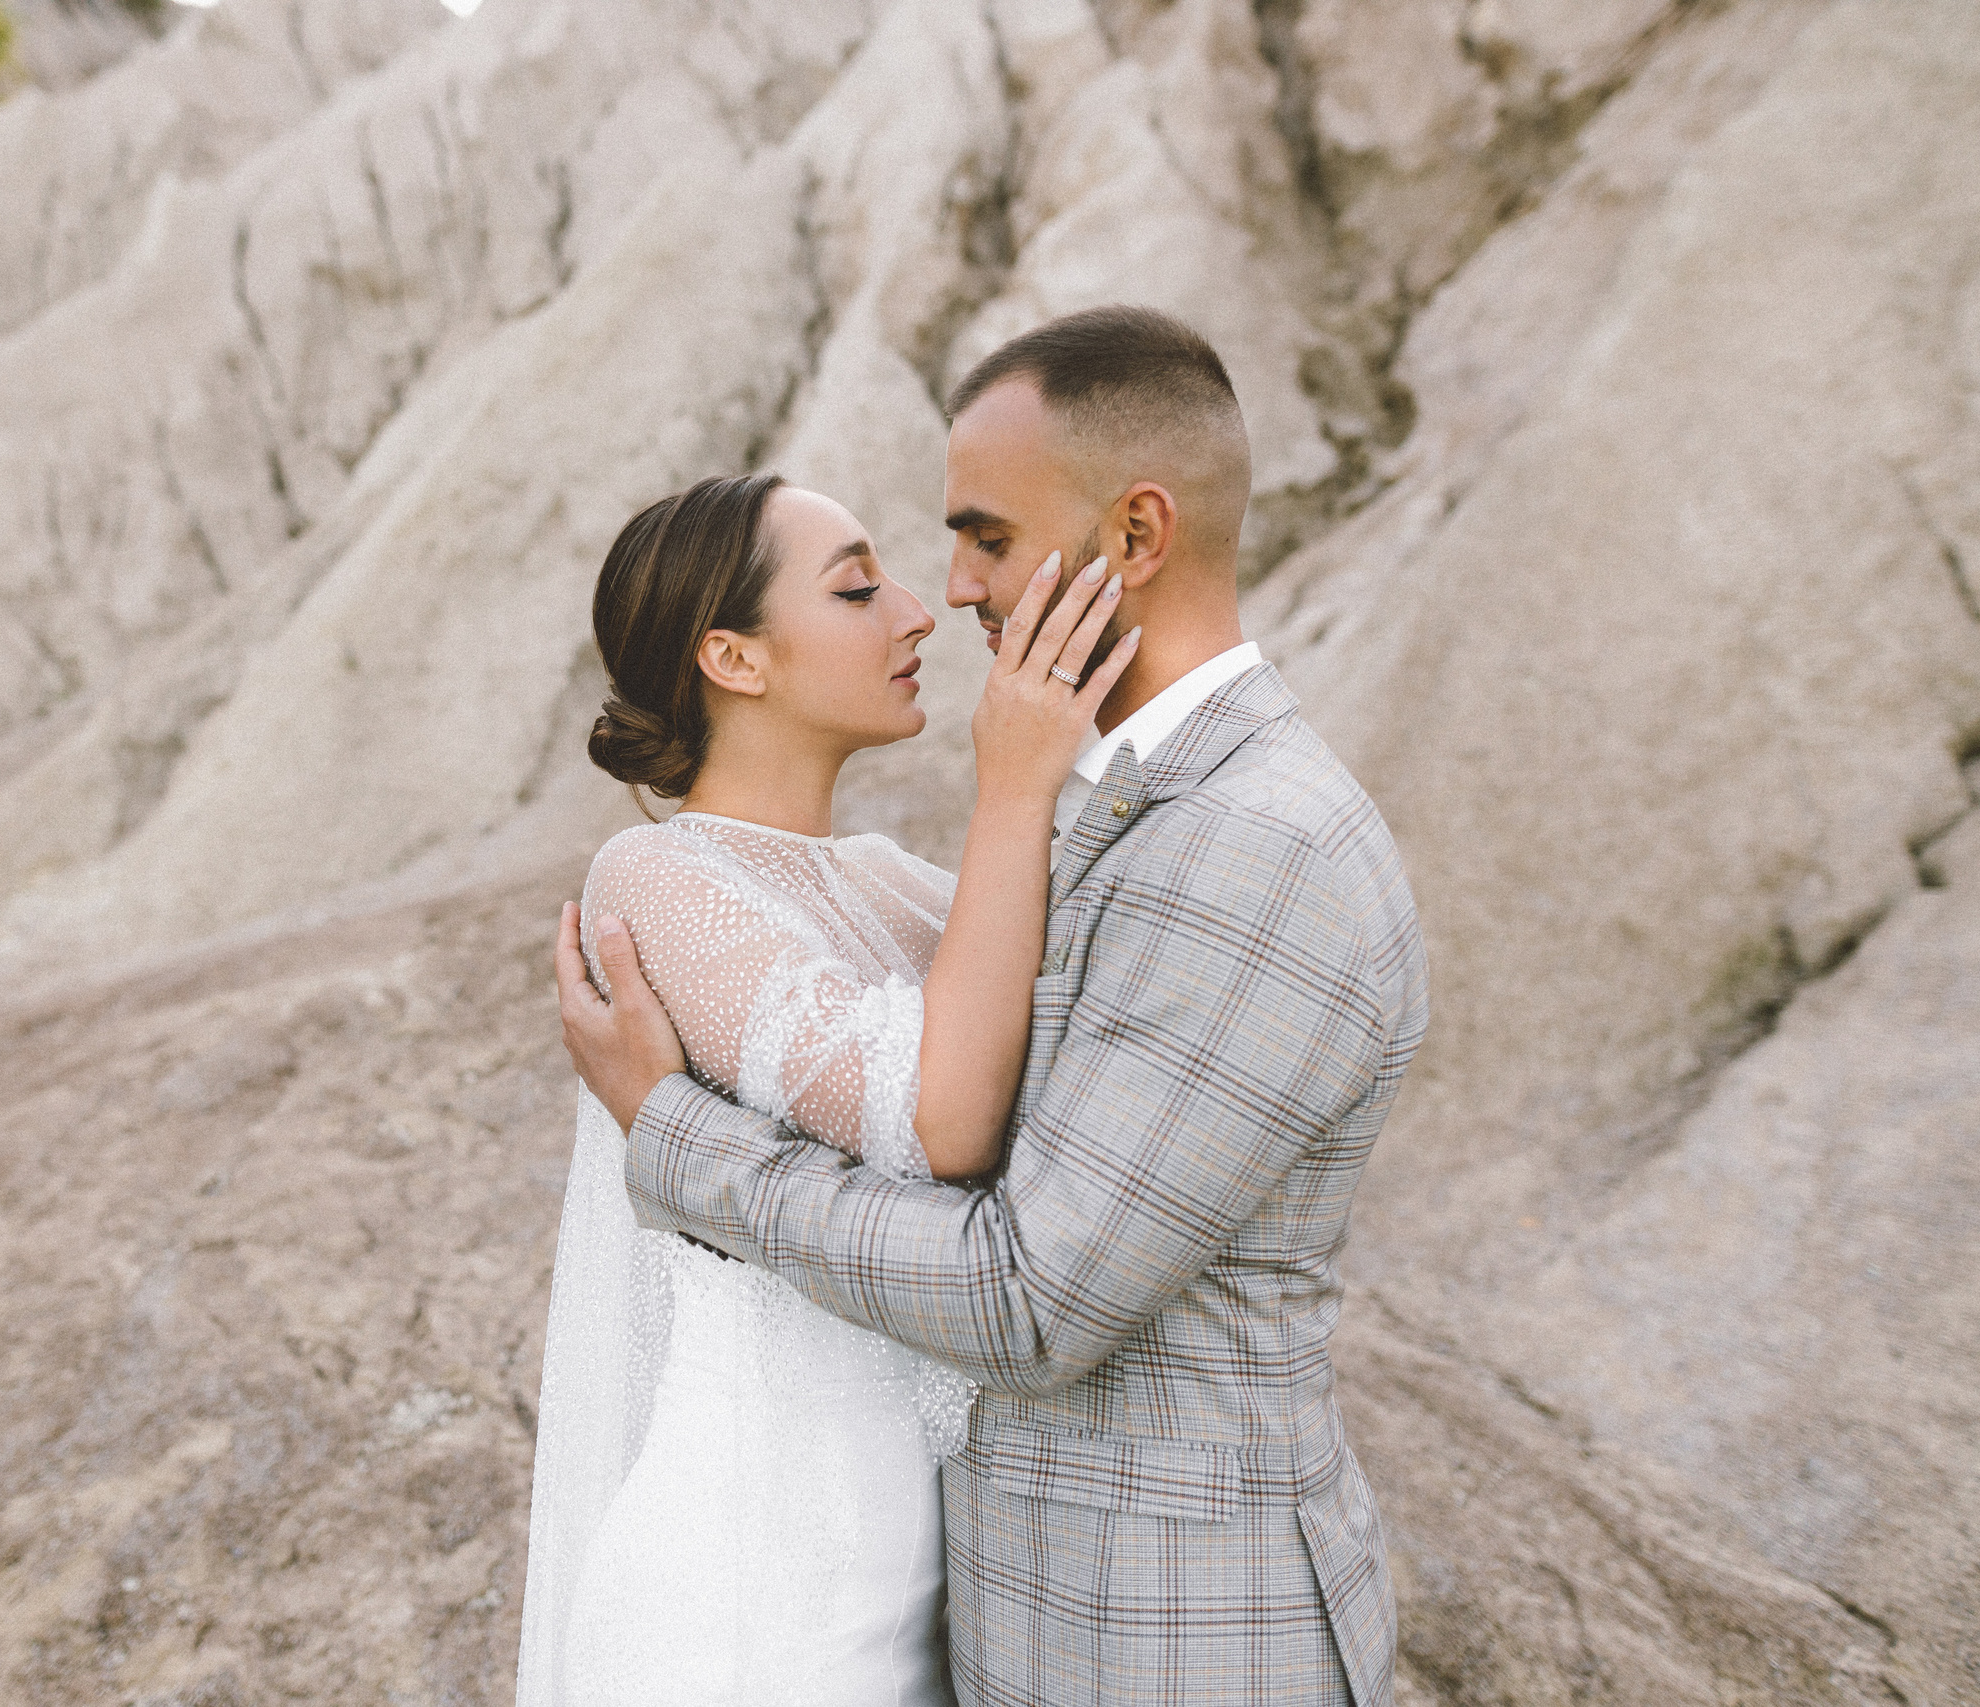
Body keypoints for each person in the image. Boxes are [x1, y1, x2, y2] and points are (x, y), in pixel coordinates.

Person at [553, 306, 1428, 1707]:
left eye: (989, 539)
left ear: (1135, 537)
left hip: (1176, 1634)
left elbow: (1032, 1291)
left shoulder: (1253, 843)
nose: (950, 593)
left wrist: (671, 1134)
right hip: (863, 1591)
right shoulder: (1122, 810)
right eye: (881, 575)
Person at [515, 467, 1137, 1705]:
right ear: (733, 659)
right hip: (747, 1594)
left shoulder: (885, 882)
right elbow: (939, 1121)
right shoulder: (655, 877)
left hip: (897, 1575)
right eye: (857, 587)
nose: (917, 612)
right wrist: (1012, 781)